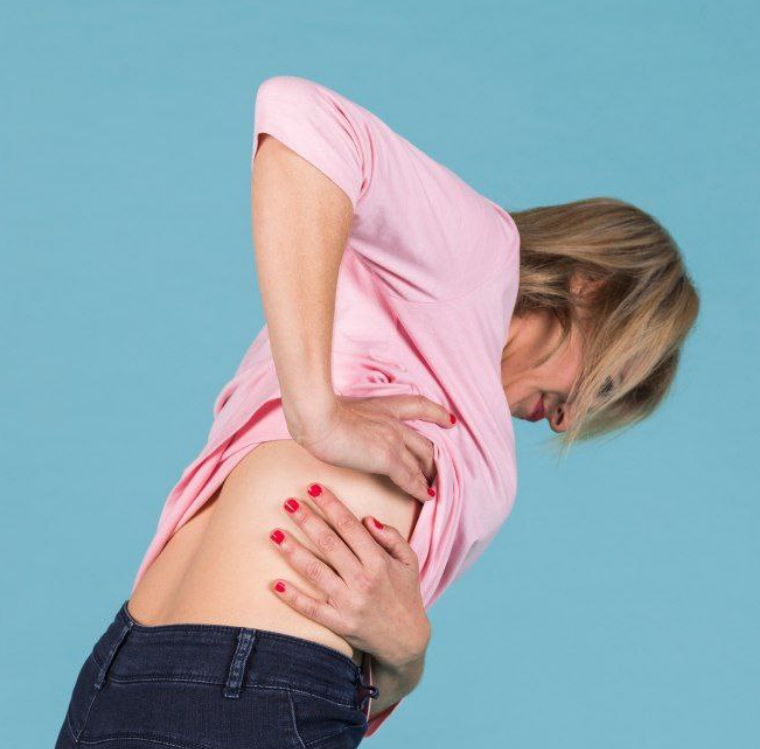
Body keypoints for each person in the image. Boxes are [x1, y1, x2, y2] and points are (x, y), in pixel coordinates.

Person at [55, 76, 700, 749]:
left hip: (121, 673)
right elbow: (301, 114)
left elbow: (366, 672)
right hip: (251, 677)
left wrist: (407, 654)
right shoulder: (480, 261)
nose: (569, 421)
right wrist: (319, 416)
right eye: (605, 381)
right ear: (590, 286)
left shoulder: (377, 308)